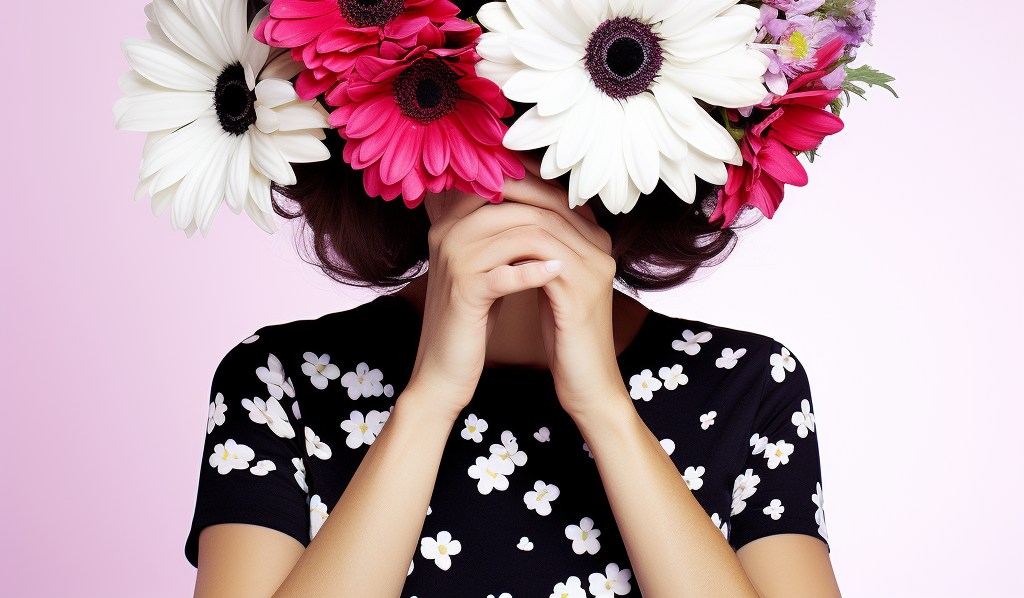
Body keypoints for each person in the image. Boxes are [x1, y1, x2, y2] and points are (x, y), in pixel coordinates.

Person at [188, 151, 841, 598]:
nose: (510, 155)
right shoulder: (279, 381)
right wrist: (431, 397)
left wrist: (605, 408)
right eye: (452, 95)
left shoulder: (749, 384)